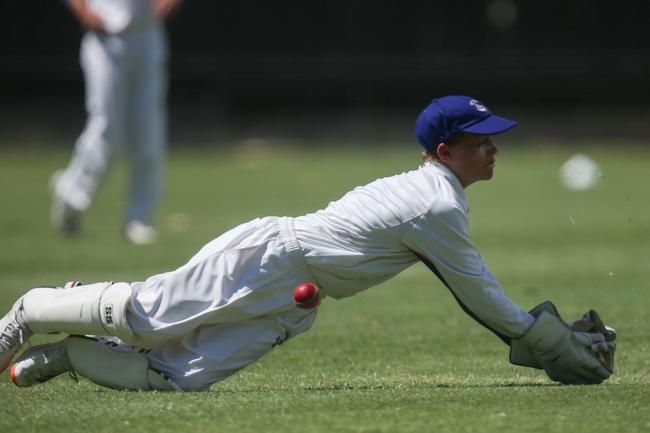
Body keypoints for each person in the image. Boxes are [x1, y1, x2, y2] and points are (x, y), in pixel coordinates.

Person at [0, 96, 614, 391]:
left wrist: (533, 337)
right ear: (446, 151)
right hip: (269, 259)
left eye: (493, 138)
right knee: (144, 317)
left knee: (172, 377)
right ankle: (27, 312)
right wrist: (548, 343)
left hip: (297, 297)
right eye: (482, 141)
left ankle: (71, 357)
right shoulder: (435, 203)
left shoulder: (440, 194)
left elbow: (476, 295)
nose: (494, 148)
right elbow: (478, 295)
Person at [51, 0, 182, 245]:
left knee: (149, 130)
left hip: (147, 35)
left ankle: (140, 217)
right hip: (105, 38)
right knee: (107, 131)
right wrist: (84, 12)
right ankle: (71, 193)